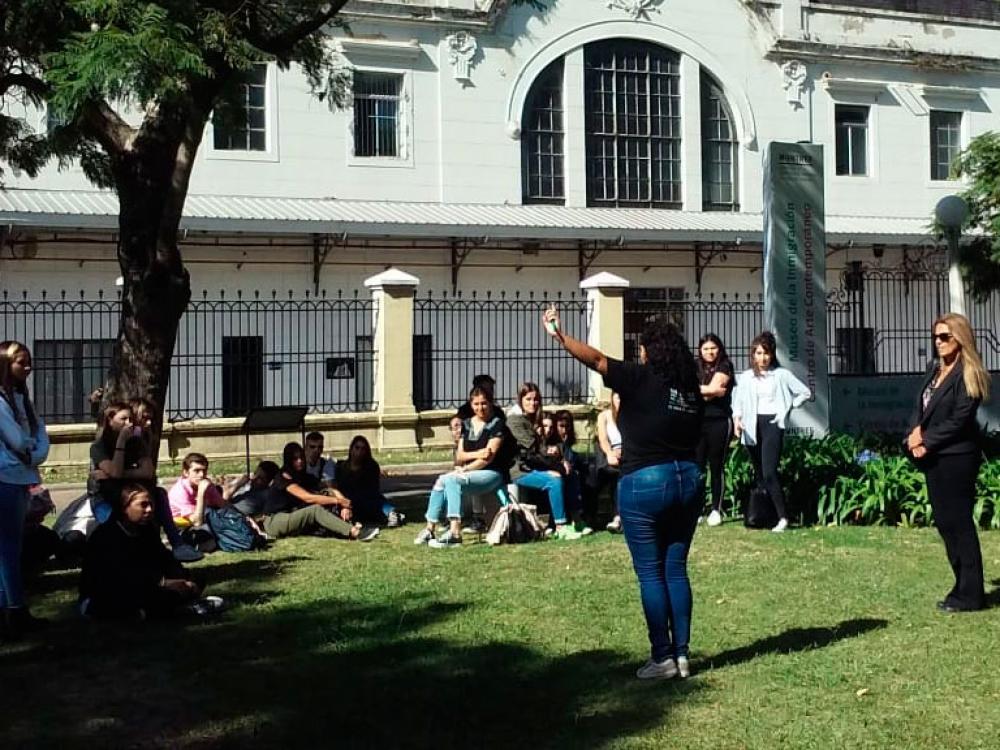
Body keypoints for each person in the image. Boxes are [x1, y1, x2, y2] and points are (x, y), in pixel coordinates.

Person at [543, 308, 704, 680]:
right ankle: (682, 655)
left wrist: (560, 336)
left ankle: (661, 657)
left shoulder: (638, 377)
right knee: (676, 570)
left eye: (642, 348)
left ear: (649, 351)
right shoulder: (689, 389)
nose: (640, 354)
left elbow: (597, 359)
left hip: (645, 480)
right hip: (689, 480)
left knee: (650, 572)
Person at [905, 313, 990, 612]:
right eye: (936, 337)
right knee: (944, 522)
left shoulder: (969, 373)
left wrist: (925, 440)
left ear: (960, 338)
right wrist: (914, 434)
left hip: (958, 458)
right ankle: (961, 585)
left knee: (959, 523)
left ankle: (971, 593)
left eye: (945, 337)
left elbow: (959, 420)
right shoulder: (935, 369)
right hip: (934, 458)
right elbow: (921, 406)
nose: (938, 343)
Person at [79, 484, 223, 620]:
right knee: (140, 598)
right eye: (143, 505)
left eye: (151, 505)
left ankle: (172, 605)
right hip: (107, 593)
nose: (149, 510)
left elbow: (164, 557)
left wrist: (183, 579)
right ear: (124, 508)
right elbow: (120, 575)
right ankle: (176, 609)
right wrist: (163, 583)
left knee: (195, 580)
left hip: (146, 586)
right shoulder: (106, 536)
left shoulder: (146, 530)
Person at [89, 401, 202, 562]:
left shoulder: (136, 442)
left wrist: (118, 474)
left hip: (128, 493)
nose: (128, 424)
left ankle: (178, 545)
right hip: (106, 497)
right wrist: (120, 445)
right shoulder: (99, 447)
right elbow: (115, 471)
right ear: (110, 420)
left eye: (130, 419)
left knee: (159, 494)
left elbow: (147, 472)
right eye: (123, 419)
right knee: (115, 526)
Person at [732, 332, 811, 533]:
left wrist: (787, 408)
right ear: (753, 355)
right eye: (759, 353)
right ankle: (764, 516)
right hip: (751, 425)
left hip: (773, 423)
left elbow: (805, 392)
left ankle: (783, 517)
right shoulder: (746, 377)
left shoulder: (781, 375)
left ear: (772, 354)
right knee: (759, 474)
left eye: (766, 353)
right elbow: (738, 402)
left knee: (769, 472)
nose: (763, 358)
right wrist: (737, 421)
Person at [416, 387, 509, 549]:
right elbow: (460, 455)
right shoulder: (467, 424)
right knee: (441, 481)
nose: (480, 408)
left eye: (484, 403)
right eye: (476, 404)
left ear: (490, 403)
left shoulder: (497, 424)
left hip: (492, 474)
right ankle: (430, 528)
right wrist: (478, 453)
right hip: (471, 471)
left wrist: (467, 468)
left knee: (452, 480)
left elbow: (488, 459)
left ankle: (455, 532)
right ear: (471, 404)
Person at [0, 341, 50, 639]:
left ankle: (9, 607)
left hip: (21, 475)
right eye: (21, 362)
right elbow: (17, 440)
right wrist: (31, 449)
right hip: (5, 477)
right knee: (7, 548)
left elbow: (38, 432)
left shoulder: (20, 397)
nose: (28, 367)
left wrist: (37, 452)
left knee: (11, 546)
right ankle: (15, 609)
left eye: (29, 361)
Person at [505, 383, 582, 541]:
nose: (533, 403)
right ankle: (561, 527)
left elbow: (541, 450)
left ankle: (575, 520)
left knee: (571, 474)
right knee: (554, 480)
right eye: (528, 399)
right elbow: (534, 450)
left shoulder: (533, 418)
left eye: (536, 399)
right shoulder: (515, 421)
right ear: (520, 400)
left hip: (534, 464)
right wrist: (557, 466)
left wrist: (560, 461)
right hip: (520, 470)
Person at [261, 442, 378, 542]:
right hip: (274, 521)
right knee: (315, 510)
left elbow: (328, 487)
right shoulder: (283, 476)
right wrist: (338, 501)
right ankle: (355, 533)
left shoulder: (303, 476)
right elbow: (308, 497)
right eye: (295, 459)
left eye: (301, 457)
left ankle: (350, 524)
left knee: (325, 495)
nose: (300, 461)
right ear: (288, 460)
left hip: (292, 515)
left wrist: (345, 505)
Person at [696, 334, 735, 527]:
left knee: (716, 466)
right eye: (705, 349)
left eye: (713, 348)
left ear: (719, 349)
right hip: (698, 422)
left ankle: (716, 509)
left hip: (719, 422)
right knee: (697, 466)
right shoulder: (695, 367)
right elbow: (703, 391)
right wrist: (707, 391)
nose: (710, 352)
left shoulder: (725, 366)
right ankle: (697, 508)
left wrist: (699, 390)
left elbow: (712, 392)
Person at [334, 435, 404, 527]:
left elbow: (372, 490)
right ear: (351, 449)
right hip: (347, 500)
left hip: (366, 499)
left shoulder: (371, 467)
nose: (359, 452)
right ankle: (389, 516)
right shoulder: (341, 467)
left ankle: (391, 513)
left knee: (376, 501)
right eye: (357, 448)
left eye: (363, 449)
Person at [554, 409, 592, 535]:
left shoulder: (568, 444)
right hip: (555, 473)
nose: (564, 430)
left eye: (567, 426)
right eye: (561, 426)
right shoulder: (553, 442)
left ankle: (580, 517)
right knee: (573, 477)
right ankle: (576, 518)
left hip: (568, 473)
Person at [167, 452, 226, 527]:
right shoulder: (179, 492)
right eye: (197, 471)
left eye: (204, 470)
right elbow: (197, 522)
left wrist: (239, 516)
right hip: (183, 526)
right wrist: (201, 492)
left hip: (201, 516)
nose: (201, 475)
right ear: (186, 473)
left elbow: (222, 505)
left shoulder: (206, 483)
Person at [596, 393, 623, 533]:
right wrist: (610, 453)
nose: (620, 400)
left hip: (628, 453)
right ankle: (618, 517)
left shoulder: (633, 414)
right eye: (618, 397)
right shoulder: (604, 416)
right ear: (612, 398)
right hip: (611, 454)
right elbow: (603, 439)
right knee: (617, 475)